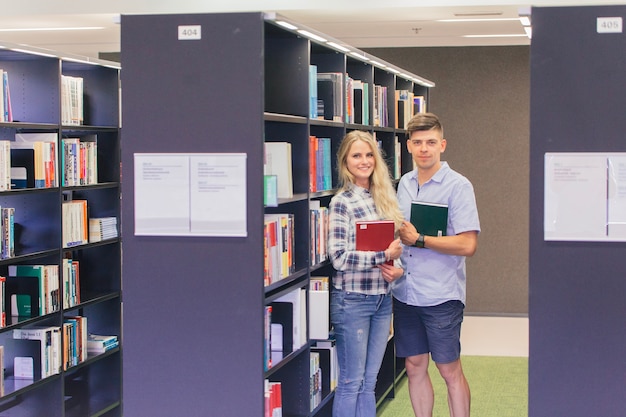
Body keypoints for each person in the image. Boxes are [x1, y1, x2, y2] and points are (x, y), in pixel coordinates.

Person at [394, 112, 480, 417]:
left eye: (431, 142)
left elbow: (468, 244)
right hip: (405, 293)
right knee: (414, 365)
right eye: (417, 142)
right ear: (409, 146)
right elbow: (399, 234)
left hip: (441, 295)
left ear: (442, 145)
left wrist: (420, 240)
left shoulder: (458, 186)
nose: (424, 148)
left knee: (448, 369)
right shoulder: (403, 184)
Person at [327, 130, 405, 417]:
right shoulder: (342, 202)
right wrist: (382, 256)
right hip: (353, 301)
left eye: (369, 154)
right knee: (351, 382)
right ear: (345, 162)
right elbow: (338, 257)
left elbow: (397, 249)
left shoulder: (384, 197)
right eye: (357, 155)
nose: (364, 161)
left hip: (383, 300)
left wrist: (397, 269)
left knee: (369, 383)